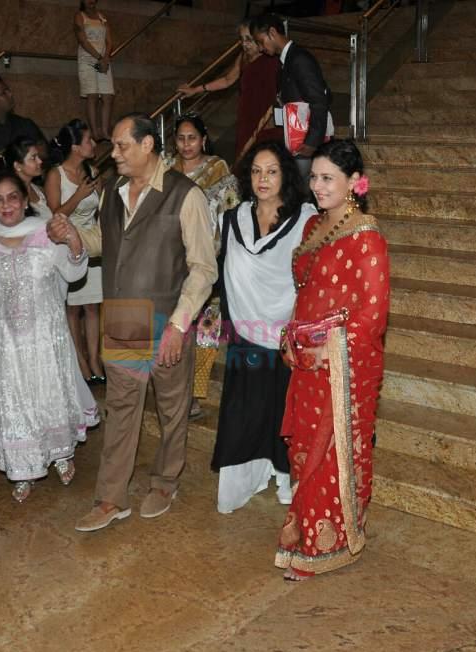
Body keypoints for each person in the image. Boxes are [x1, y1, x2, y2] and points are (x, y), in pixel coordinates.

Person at [49, 113, 217, 532]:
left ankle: (165, 481)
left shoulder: (185, 194)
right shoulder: (115, 191)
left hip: (167, 315)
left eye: (123, 145)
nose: (115, 153)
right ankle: (111, 498)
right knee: (122, 406)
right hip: (125, 316)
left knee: (171, 406)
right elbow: (104, 241)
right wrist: (72, 235)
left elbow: (203, 268)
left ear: (147, 146)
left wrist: (179, 325)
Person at [276, 139, 388, 581]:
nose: (317, 187)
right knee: (305, 449)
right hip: (307, 360)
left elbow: (374, 312)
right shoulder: (312, 229)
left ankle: (333, 541)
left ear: (353, 183)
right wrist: (291, 333)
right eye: (315, 177)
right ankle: (308, 530)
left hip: (343, 364)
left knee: (332, 450)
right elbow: (304, 294)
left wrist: (331, 349)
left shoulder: (367, 238)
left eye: (328, 179)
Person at [0, 173, 99, 502]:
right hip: (6, 339)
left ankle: (60, 454)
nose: (6, 205)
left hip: (45, 334)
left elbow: (73, 271)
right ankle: (22, 466)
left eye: (13, 197)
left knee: (48, 391)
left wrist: (74, 242)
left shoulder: (45, 231)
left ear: (25, 200)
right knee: (15, 399)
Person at [212, 141, 316, 514]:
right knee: (245, 409)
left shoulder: (305, 220)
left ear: (286, 174)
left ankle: (286, 475)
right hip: (246, 331)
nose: (263, 179)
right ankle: (245, 478)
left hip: (288, 333)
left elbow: (310, 277)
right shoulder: (234, 218)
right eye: (256, 171)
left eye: (271, 171)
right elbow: (223, 273)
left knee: (283, 411)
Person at [165, 114, 239, 418]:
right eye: (181, 139)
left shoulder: (219, 172)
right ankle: (174, 388)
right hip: (170, 261)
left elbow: (232, 216)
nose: (186, 145)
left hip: (208, 260)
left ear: (203, 139)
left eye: (192, 138)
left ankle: (194, 393)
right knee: (177, 325)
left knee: (205, 328)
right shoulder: (165, 170)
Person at [45, 119, 104, 384]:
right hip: (68, 244)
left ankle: (94, 359)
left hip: (94, 243)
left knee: (92, 307)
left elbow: (101, 208)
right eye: (89, 140)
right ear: (76, 147)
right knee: (73, 309)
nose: (93, 144)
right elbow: (55, 215)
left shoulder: (93, 170)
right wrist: (79, 194)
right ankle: (79, 361)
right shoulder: (55, 174)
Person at [177, 21, 281, 161]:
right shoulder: (244, 57)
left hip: (266, 118)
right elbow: (227, 80)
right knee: (244, 160)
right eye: (242, 39)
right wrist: (196, 89)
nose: (244, 44)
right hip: (246, 115)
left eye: (249, 39)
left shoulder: (272, 58)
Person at [251, 13, 331, 179]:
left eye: (260, 41)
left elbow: (319, 101)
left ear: (272, 32)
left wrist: (311, 142)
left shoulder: (299, 59)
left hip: (306, 144)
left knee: (306, 195)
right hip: (296, 141)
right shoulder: (285, 61)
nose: (260, 48)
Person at [0, 76, 47, 161]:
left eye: (8, 90)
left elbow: (44, 151)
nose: (10, 94)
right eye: (3, 93)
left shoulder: (25, 124)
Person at [74, 0, 115, 142]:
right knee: (92, 95)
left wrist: (105, 58)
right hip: (88, 60)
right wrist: (99, 58)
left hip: (103, 60)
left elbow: (109, 40)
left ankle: (104, 131)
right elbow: (83, 41)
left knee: (107, 96)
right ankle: (94, 133)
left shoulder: (102, 16)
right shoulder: (79, 16)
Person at [2, 136, 50, 218]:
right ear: (17, 166)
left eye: (38, 156)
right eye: (33, 158)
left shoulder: (38, 189)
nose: (40, 161)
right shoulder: (12, 198)